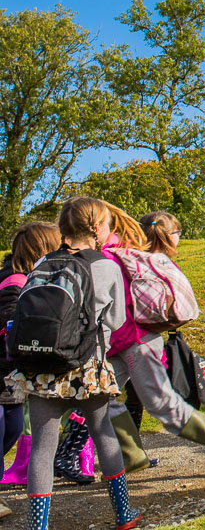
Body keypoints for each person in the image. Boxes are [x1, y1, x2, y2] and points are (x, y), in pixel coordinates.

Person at [6, 196, 141, 530]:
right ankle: (123, 513)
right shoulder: (108, 266)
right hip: (87, 367)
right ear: (96, 228)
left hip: (42, 368)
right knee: (102, 431)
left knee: (42, 445)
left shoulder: (42, 263)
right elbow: (117, 318)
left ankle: (37, 526)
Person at [96, 209, 205, 476]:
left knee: (160, 403)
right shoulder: (110, 253)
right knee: (97, 397)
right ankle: (132, 455)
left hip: (137, 340)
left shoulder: (111, 255)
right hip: (118, 342)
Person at [0, 223, 63, 512]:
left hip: (9, 374)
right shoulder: (13, 282)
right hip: (4, 369)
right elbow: (10, 322)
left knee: (11, 427)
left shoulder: (26, 279)